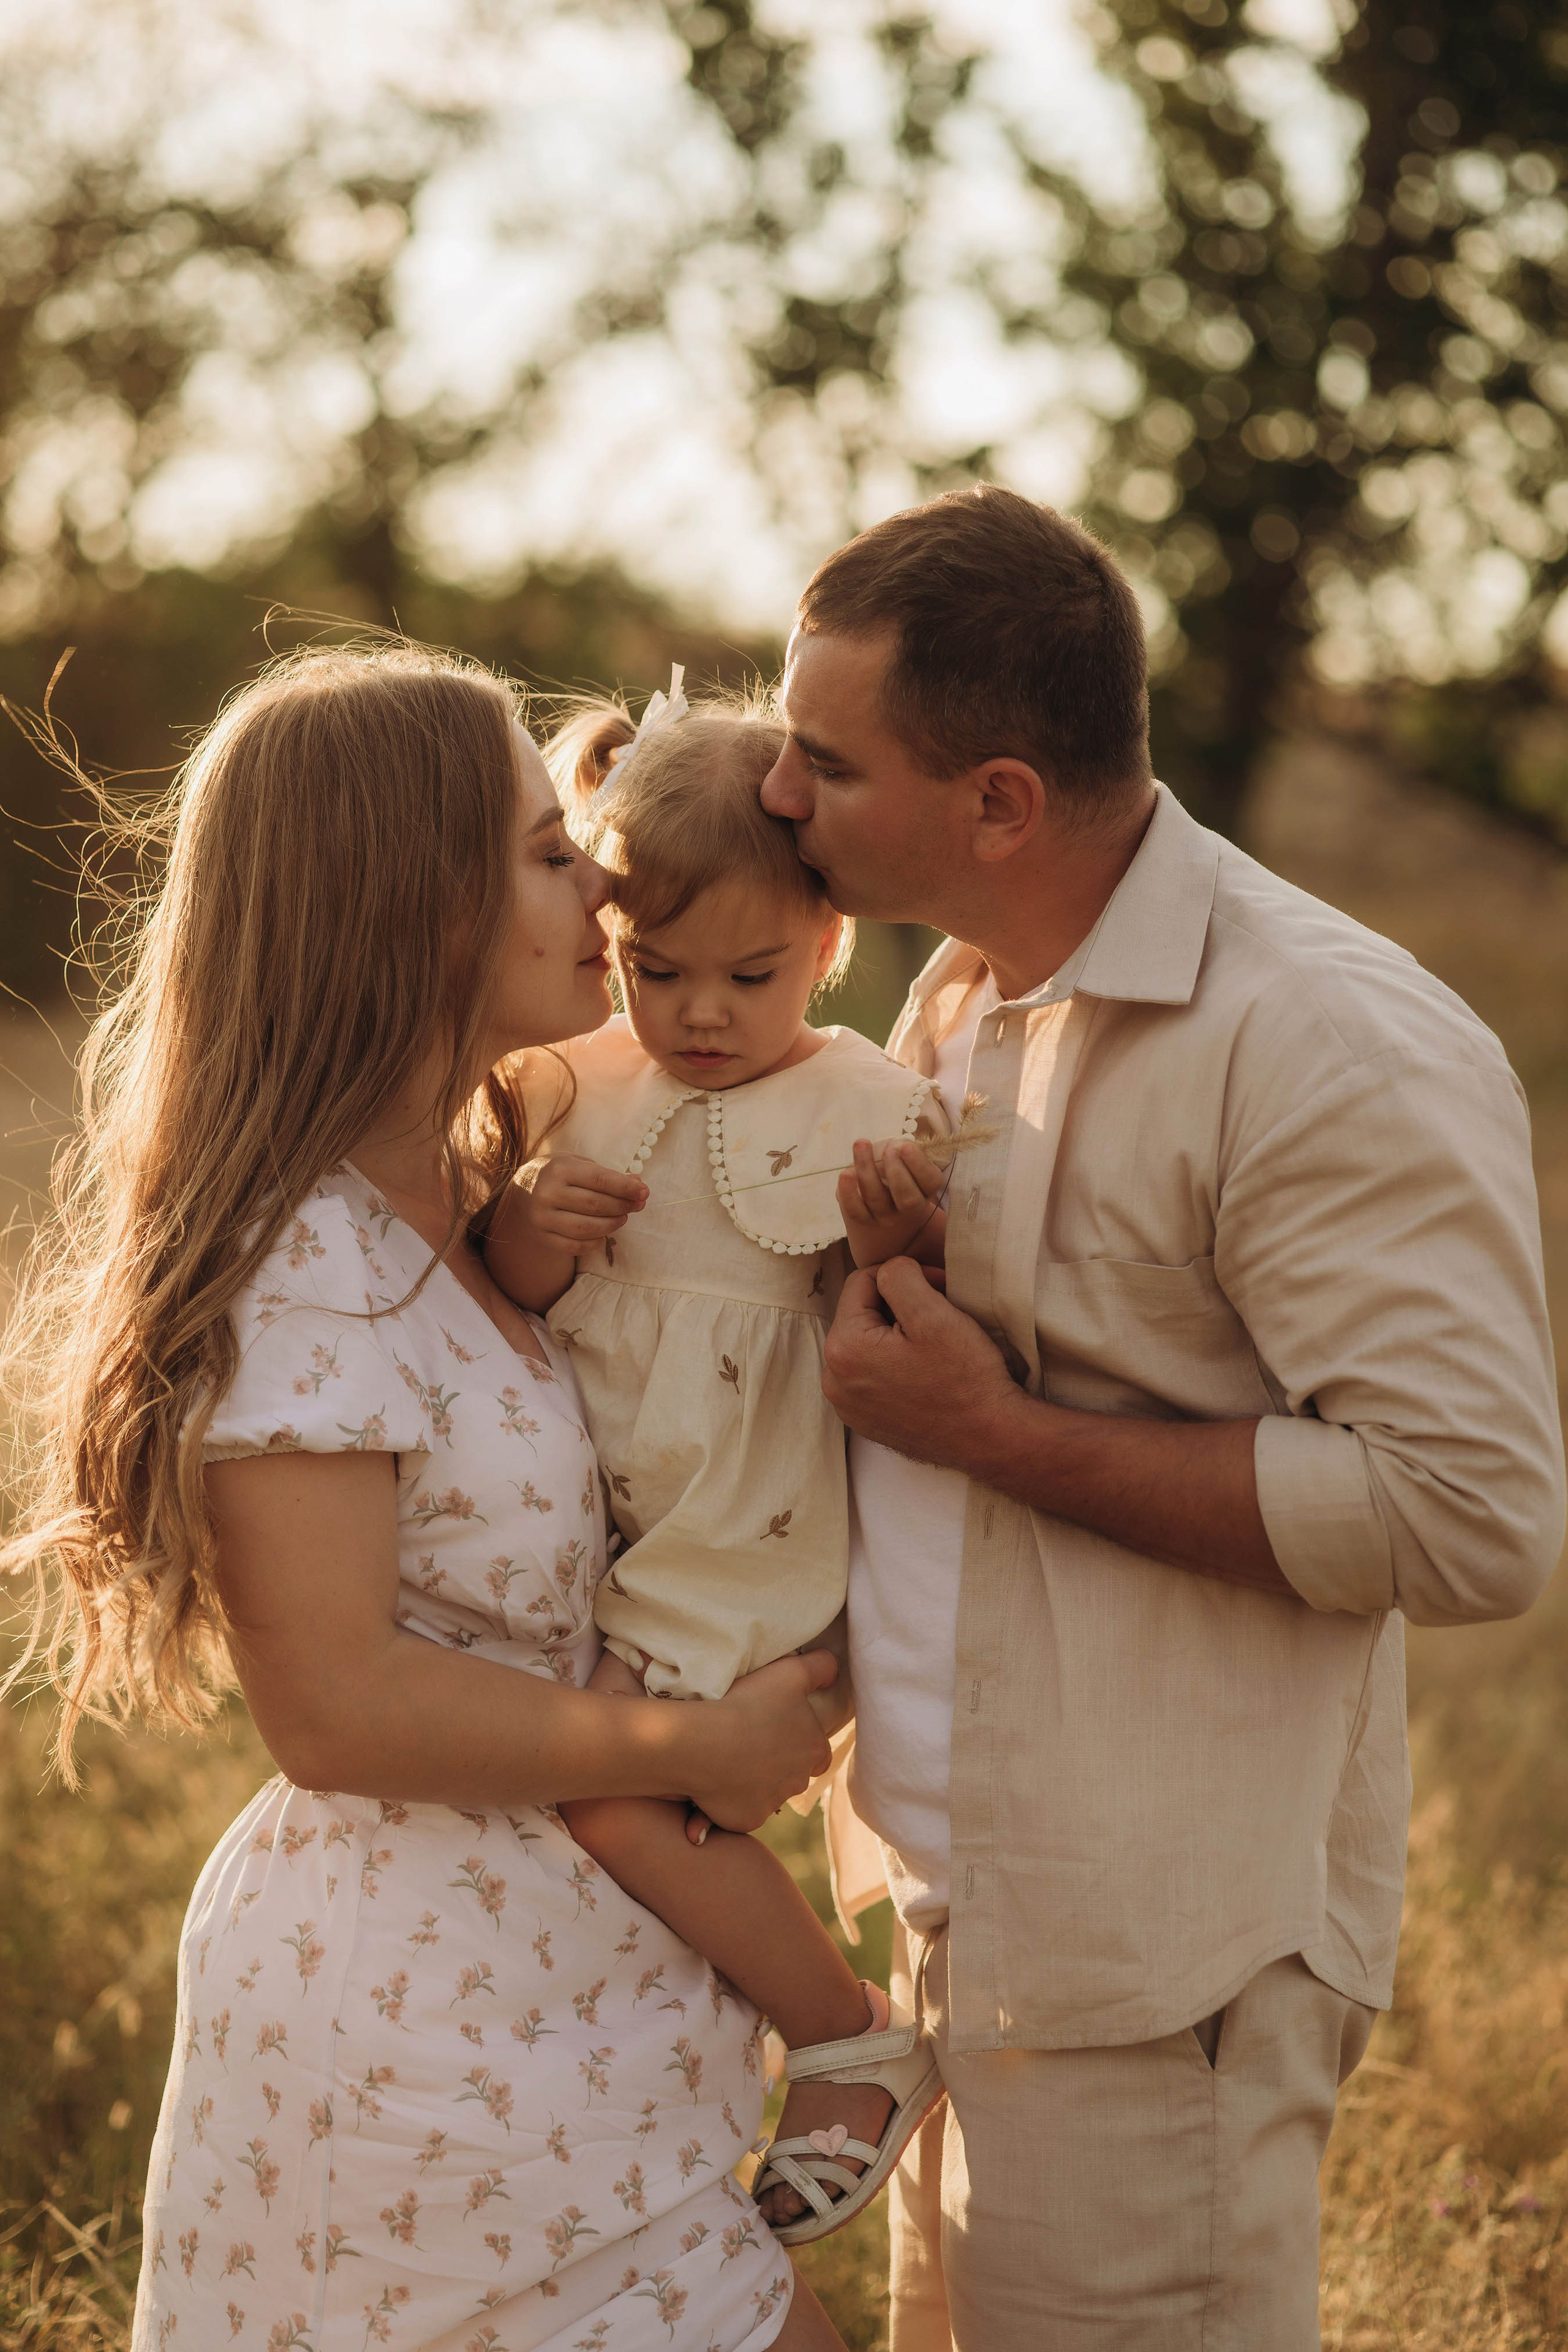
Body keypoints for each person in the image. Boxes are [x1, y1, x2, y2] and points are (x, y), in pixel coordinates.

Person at [758, 484, 1567, 2350]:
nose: (780, 796)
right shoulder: (956, 993)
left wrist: (996, 1432)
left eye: (825, 760)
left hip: (1159, 1963)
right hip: (964, 1926)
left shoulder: (1321, 1038)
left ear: (1003, 801)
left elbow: (1471, 1516)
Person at [3, 643, 857, 2352]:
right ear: (420, 907)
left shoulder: (474, 1213)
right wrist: (693, 1751)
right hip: (415, 2055)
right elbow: (334, 1705)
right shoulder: (309, 1258)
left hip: (567, 2022)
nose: (601, 880)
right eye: (553, 850)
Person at [481, 681, 948, 2247]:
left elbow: (887, 1340)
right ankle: (687, 2087)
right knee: (588, 1814)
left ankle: (845, 2034)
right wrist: (521, 1237)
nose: (694, 1014)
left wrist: (887, 1243)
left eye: (747, 975)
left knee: (618, 1807)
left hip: (741, 1522)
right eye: (651, 969)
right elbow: (520, 1302)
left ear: (826, 943)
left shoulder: (865, 1105)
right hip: (603, 1518)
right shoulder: (577, 1080)